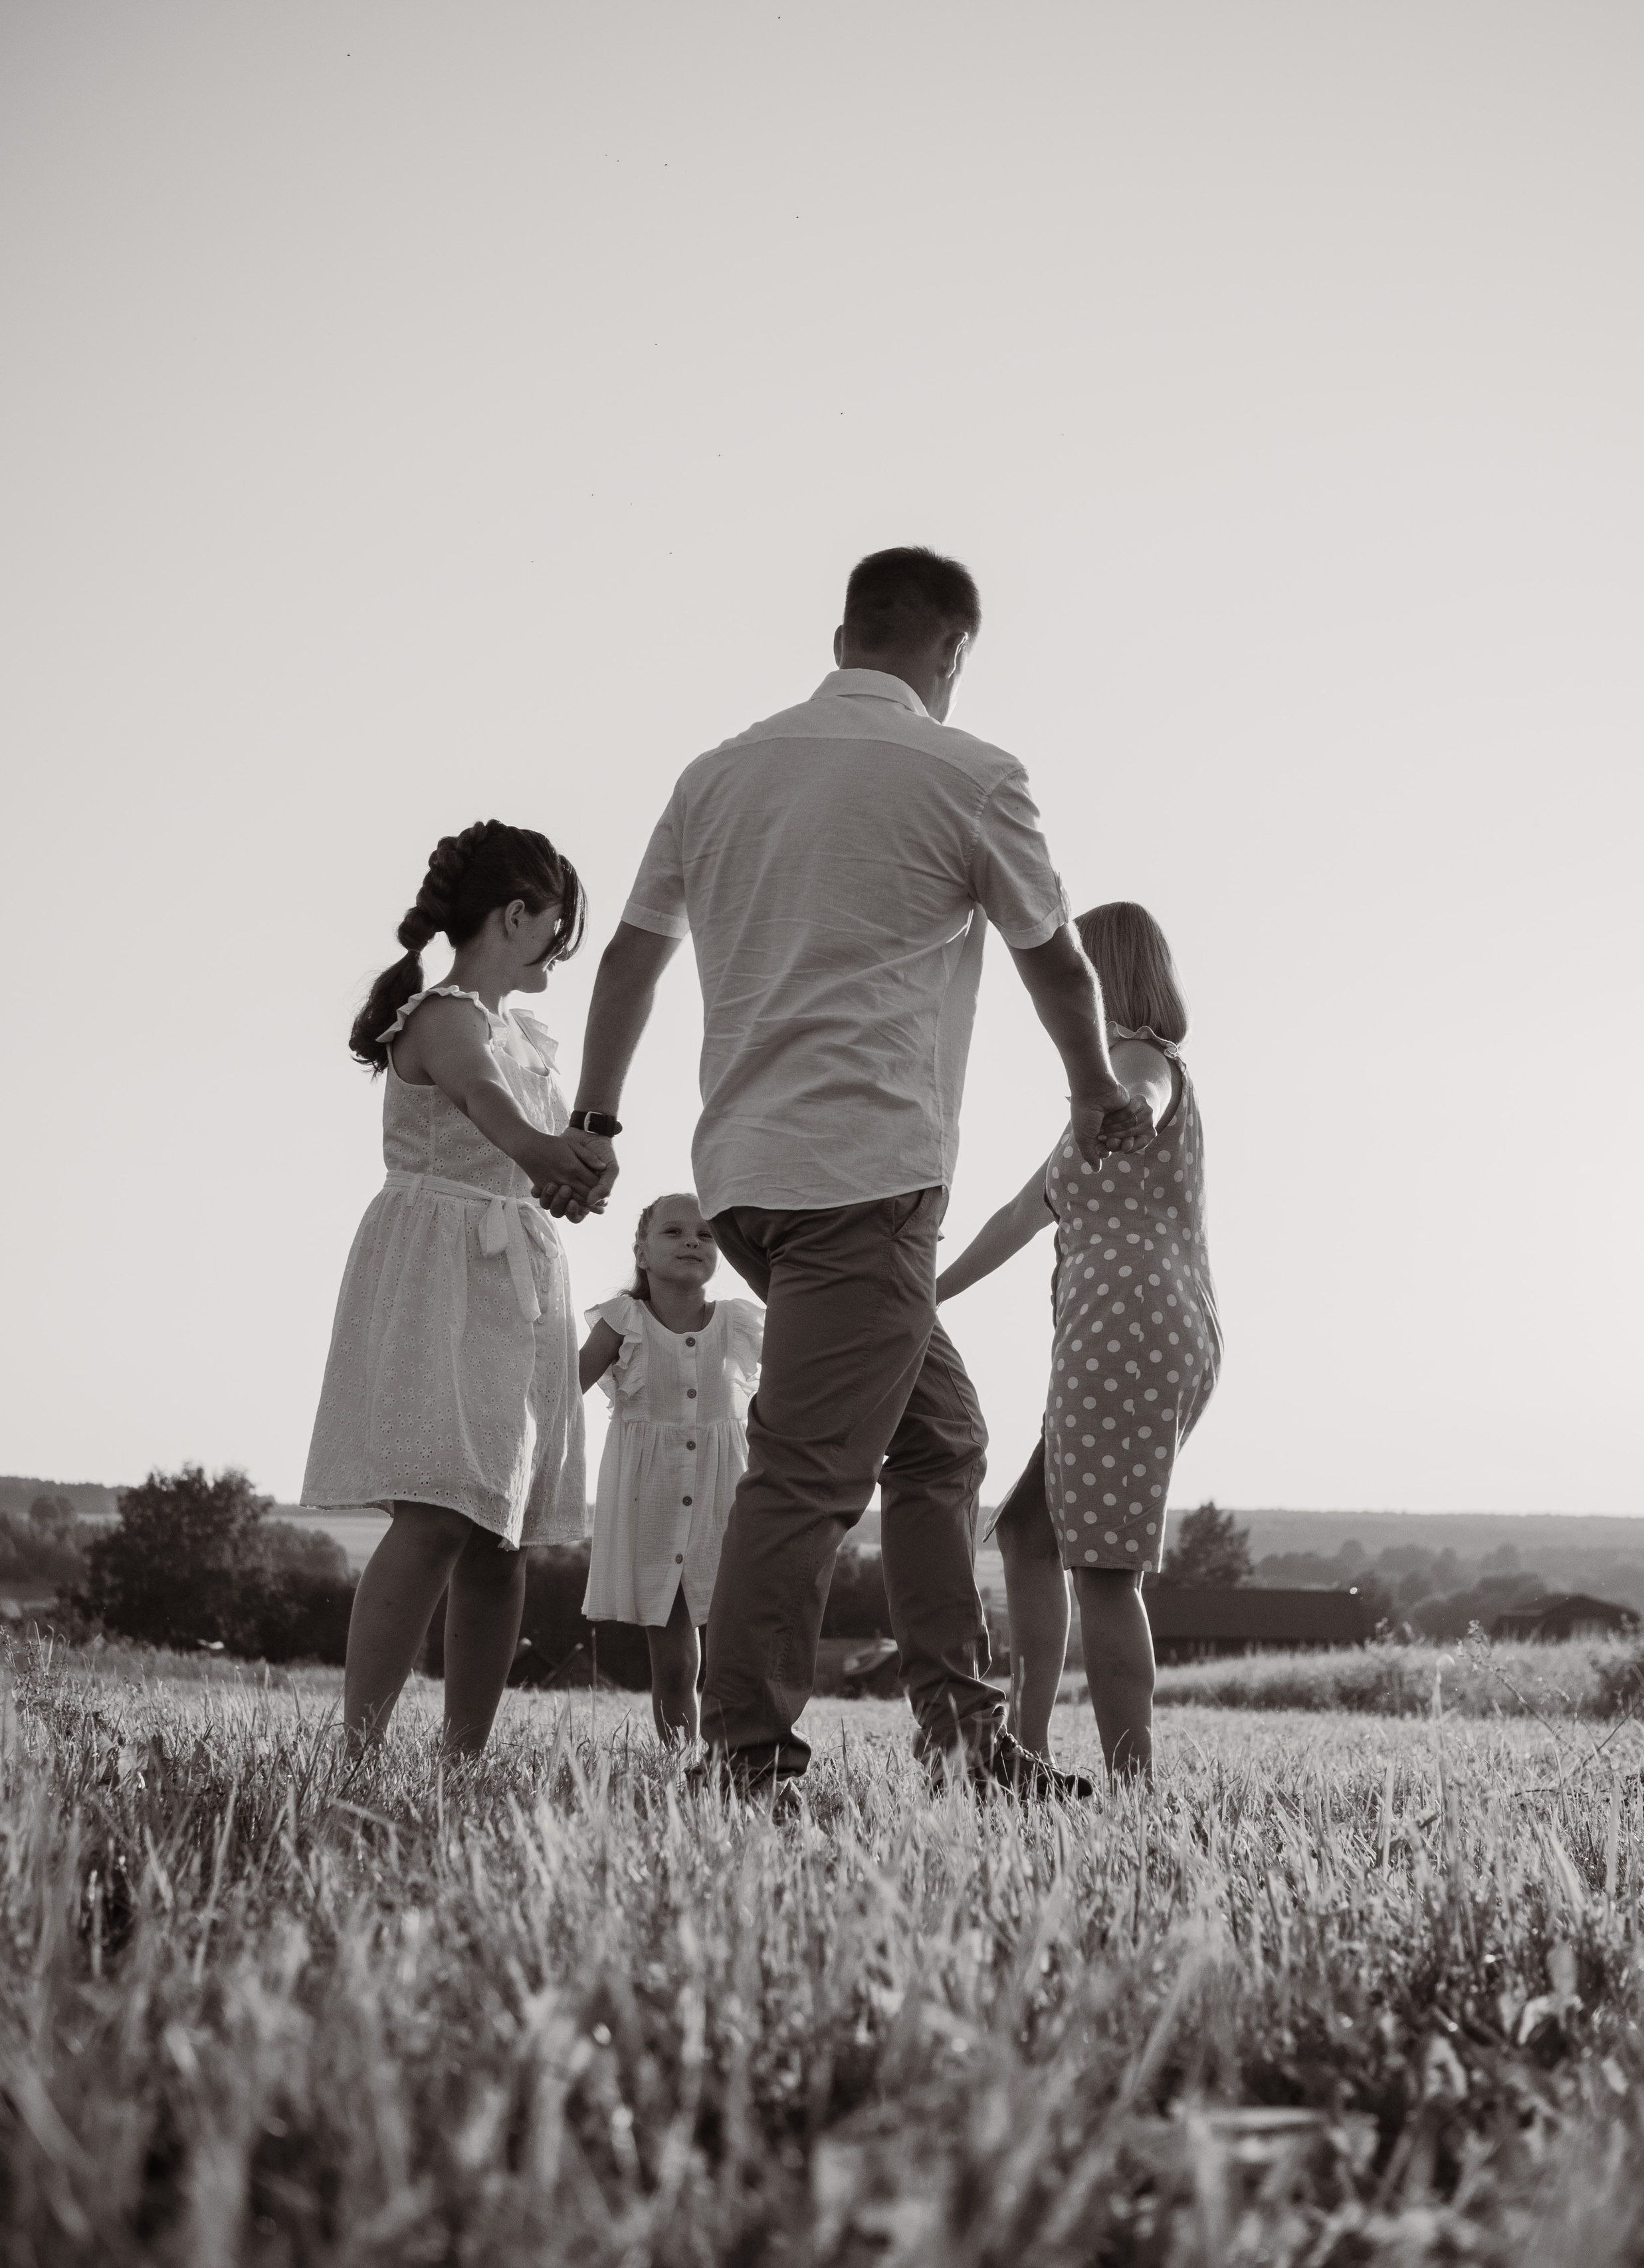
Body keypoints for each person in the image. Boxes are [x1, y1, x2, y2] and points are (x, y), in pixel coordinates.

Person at [546, 546, 1150, 1801]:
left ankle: (962, 1734)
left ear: (839, 641)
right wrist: (1095, 1092)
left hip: (747, 1182)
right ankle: (747, 1753)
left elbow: (630, 959)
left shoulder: (715, 774)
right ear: (951, 655)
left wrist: (598, 1117)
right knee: (811, 1474)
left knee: (938, 1440)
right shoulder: (971, 774)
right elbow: (1054, 961)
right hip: (864, 1181)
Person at [302, 820, 603, 1756]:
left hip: (513, 1278)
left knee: (500, 1535)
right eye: (553, 929)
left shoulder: (521, 1032)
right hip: (443, 1272)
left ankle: (460, 1761)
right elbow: (484, 1102)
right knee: (436, 1511)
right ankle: (355, 1751)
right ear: (515, 916)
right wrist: (549, 1157)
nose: (558, 951)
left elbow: (525, 1137)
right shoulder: (442, 1020)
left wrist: (569, 1180)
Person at [936, 902, 1221, 1780]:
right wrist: (920, 1294)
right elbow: (1019, 1214)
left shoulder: (1136, 1059)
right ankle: (1021, 1751)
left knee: (1102, 1570)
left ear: (1099, 976)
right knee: (1026, 1533)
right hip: (1119, 1332)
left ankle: (1131, 1793)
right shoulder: (1091, 1102)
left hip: (1129, 1332)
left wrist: (1122, 1100)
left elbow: (1147, 1092)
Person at [579, 1193, 765, 1745]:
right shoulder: (622, 1320)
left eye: (706, 1235)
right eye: (674, 1232)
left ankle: (737, 1750)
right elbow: (562, 1389)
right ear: (640, 1250)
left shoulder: (739, 1321)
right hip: (649, 1496)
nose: (692, 1241)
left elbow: (794, 1389)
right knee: (675, 1656)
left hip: (724, 1492)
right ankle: (679, 1758)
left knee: (736, 1637)